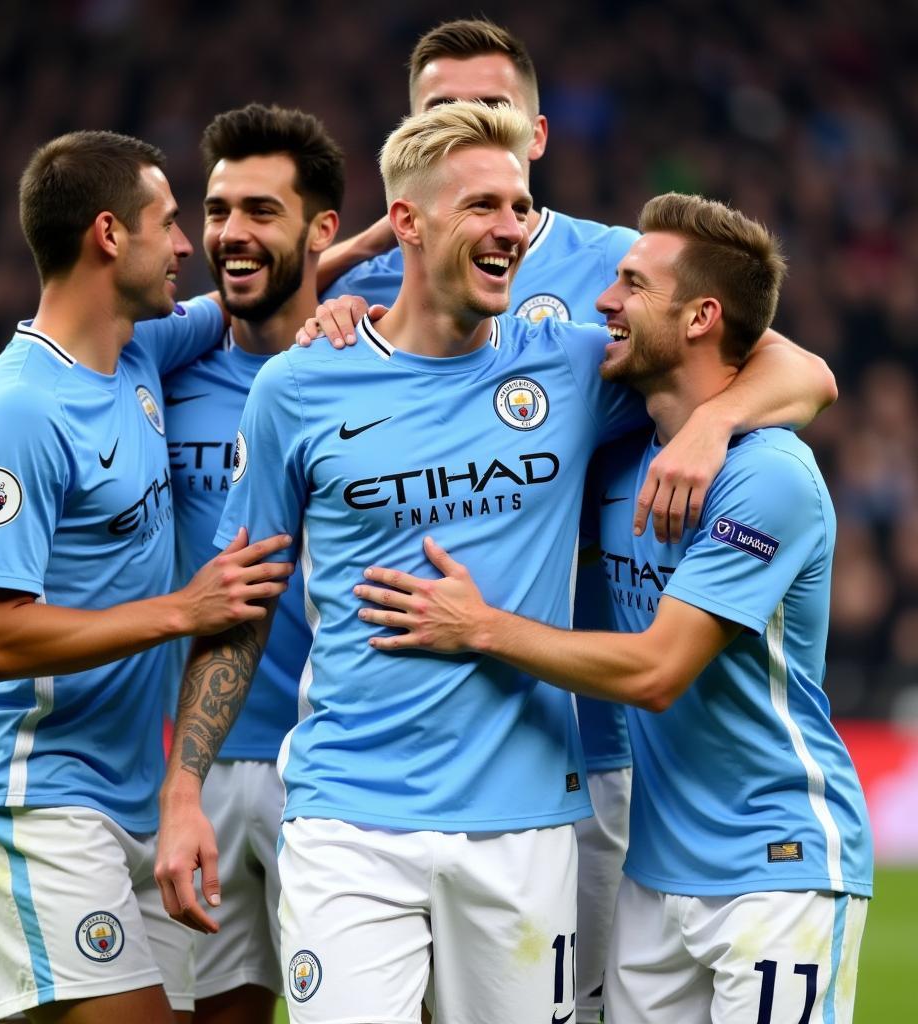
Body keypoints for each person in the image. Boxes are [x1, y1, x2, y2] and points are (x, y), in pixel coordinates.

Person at [156, 103, 833, 1024]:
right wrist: (186, 791)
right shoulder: (300, 386)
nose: (514, 229)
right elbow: (242, 601)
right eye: (484, 205)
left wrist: (713, 424)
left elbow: (787, 362)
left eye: (520, 206)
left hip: (527, 829)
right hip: (349, 819)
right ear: (407, 222)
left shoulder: (570, 367)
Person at [353, 192, 872, 1024]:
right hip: (653, 871)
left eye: (631, 284)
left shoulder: (768, 476)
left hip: (775, 864)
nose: (604, 299)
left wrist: (479, 626)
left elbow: (661, 670)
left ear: (702, 317)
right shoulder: (624, 445)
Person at [0, 130, 292, 1024]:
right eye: (169, 224)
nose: (187, 246)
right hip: (27, 786)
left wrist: (341, 281)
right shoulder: (19, 412)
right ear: (108, 236)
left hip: (124, 787)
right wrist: (181, 611)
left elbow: (254, 307)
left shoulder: (138, 353)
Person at [162, 103, 343, 1024]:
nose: (230, 232)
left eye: (260, 211)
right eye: (217, 208)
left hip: (338, 770)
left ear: (321, 231)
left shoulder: (370, 366)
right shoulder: (160, 369)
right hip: (202, 762)